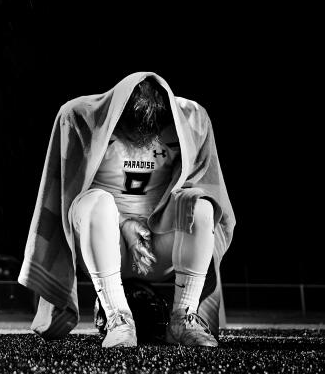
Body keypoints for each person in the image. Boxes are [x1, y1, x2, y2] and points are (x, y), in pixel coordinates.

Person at [19, 73, 235, 348]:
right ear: (117, 115)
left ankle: (184, 316)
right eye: (131, 131)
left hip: (162, 246)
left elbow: (208, 184)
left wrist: (144, 226)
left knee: (201, 203)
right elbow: (62, 196)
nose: (140, 140)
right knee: (95, 201)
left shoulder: (191, 118)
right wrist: (125, 224)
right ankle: (118, 318)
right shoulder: (80, 116)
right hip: (103, 247)